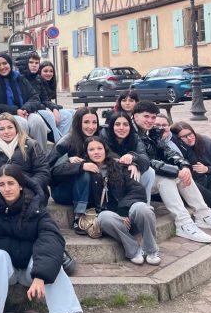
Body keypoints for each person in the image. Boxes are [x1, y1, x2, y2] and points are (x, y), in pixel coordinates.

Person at [0, 164, 82, 313]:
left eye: (11, 183)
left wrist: (40, 275)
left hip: (31, 270)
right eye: (2, 184)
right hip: (5, 271)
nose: (7, 189)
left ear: (20, 185)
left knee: (52, 263)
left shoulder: (36, 208)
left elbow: (51, 239)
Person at [132, 101, 211, 242]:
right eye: (146, 116)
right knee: (166, 179)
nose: (150, 121)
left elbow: (168, 152)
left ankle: (204, 215)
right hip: (134, 179)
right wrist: (176, 171)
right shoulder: (131, 134)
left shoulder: (151, 132)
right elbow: (148, 161)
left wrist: (184, 166)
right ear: (136, 116)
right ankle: (183, 223)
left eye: (153, 117)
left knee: (181, 175)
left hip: (148, 174)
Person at [82, 137, 160, 265]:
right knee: (104, 217)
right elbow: (58, 171)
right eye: (91, 149)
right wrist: (78, 164)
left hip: (130, 217)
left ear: (105, 150)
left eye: (99, 148)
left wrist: (123, 213)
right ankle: (134, 250)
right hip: (113, 223)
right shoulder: (86, 173)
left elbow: (137, 190)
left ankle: (151, 250)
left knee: (143, 208)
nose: (96, 152)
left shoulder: (119, 166)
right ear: (86, 153)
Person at [0, 54, 49, 153]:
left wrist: (25, 109)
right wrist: (16, 111)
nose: (2, 67)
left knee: (37, 121)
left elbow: (34, 97)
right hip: (4, 115)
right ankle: (23, 155)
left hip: (24, 111)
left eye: (4, 63)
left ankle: (41, 154)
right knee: (21, 123)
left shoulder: (20, 78)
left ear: (10, 64)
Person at [50, 108, 100, 229]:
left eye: (94, 122)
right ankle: (79, 217)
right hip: (63, 190)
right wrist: (77, 165)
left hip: (89, 188)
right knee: (84, 173)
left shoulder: (99, 139)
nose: (91, 126)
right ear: (78, 123)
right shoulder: (65, 142)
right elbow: (51, 171)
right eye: (86, 122)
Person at [0, 113, 50, 203]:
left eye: (10, 127)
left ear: (16, 128)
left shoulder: (31, 145)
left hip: (30, 188)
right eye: (2, 129)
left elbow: (43, 171)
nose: (6, 132)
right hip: (2, 190)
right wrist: (2, 186)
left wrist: (25, 187)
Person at [170, 121, 211, 213]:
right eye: (184, 137)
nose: (189, 138)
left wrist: (208, 169)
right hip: (197, 182)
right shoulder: (176, 149)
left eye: (190, 134)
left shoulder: (207, 143)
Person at [100, 112, 154, 203]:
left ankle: (144, 204)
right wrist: (129, 164)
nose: (121, 128)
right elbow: (107, 156)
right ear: (111, 126)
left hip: (127, 171)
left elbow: (145, 159)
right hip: (109, 170)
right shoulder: (104, 134)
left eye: (125, 124)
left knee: (150, 172)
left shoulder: (134, 137)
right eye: (117, 124)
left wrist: (133, 157)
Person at [24, 52, 73, 142]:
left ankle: (63, 141)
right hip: (32, 110)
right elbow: (35, 101)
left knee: (70, 114)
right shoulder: (22, 79)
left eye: (36, 63)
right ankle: (60, 144)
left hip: (41, 108)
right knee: (51, 115)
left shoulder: (38, 79)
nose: (34, 65)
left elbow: (45, 99)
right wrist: (51, 108)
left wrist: (54, 108)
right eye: (31, 62)